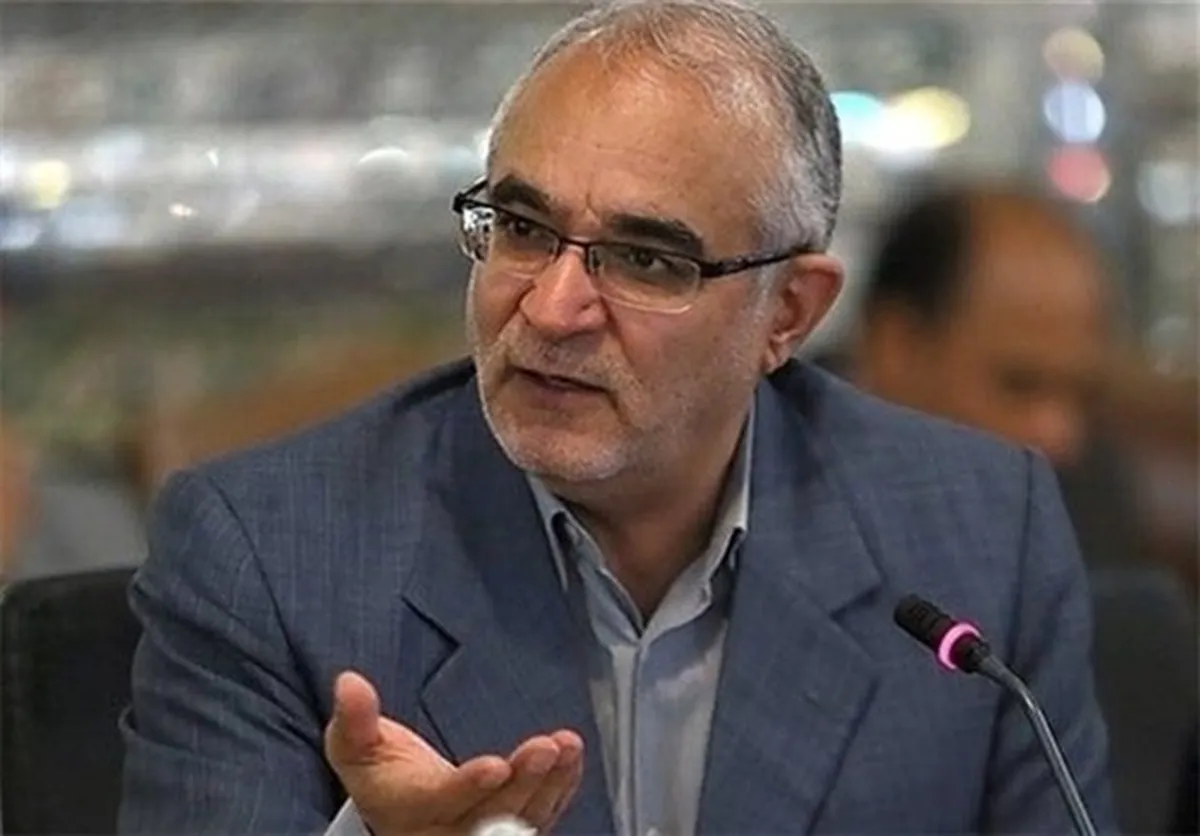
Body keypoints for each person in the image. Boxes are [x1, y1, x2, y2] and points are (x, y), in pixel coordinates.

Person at [118, 2, 1117, 834]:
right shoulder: (268, 555)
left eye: (645, 259)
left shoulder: (983, 534)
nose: (553, 309)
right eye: (522, 227)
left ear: (788, 313)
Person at [851, 181, 1111, 470]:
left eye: (1084, 398)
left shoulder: (1093, 484)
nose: (1058, 435)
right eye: (1019, 385)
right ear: (898, 346)